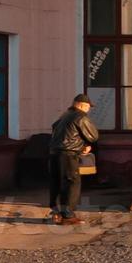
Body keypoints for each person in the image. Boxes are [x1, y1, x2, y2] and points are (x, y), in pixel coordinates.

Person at [48, 93, 99, 225]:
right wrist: (85, 145)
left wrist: (80, 145)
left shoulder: (63, 116)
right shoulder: (80, 117)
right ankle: (68, 215)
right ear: (82, 105)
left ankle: (56, 212)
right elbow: (93, 136)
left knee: (57, 182)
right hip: (68, 155)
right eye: (88, 107)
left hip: (54, 153)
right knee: (71, 183)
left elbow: (58, 130)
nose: (89, 110)